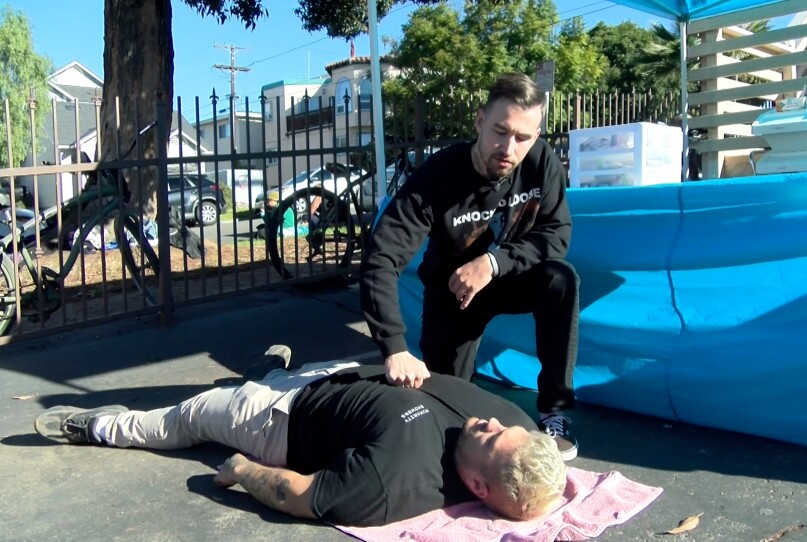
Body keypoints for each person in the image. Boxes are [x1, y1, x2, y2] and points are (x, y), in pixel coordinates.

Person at [34, 345, 567, 527]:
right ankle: (267, 369)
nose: (493, 424)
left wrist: (243, 470)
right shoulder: (514, 433)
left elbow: (302, 496)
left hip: (277, 417)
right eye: (507, 428)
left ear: (477, 487)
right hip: (342, 374)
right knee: (283, 372)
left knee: (190, 416)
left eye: (492, 439)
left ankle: (101, 426)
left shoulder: (397, 482)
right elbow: (551, 456)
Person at [360, 72, 580, 460]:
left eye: (522, 137)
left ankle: (554, 413)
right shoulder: (438, 175)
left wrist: (493, 262)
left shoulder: (541, 161)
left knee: (560, 279)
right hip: (453, 293)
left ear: (536, 135)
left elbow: (556, 233)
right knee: (446, 408)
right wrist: (393, 346)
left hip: (510, 277)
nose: (508, 148)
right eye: (500, 131)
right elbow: (381, 256)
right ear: (480, 121)